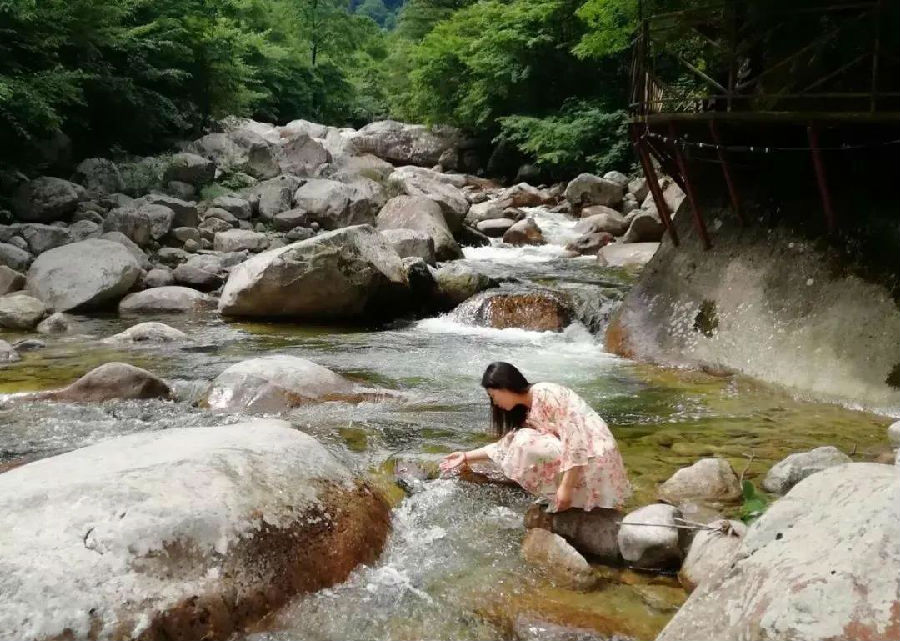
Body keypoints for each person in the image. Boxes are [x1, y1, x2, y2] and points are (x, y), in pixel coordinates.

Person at [440, 362, 631, 512]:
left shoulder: (546, 393)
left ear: (505, 387)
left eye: (493, 395)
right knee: (519, 439)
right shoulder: (528, 410)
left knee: (525, 441)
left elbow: (576, 439)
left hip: (596, 455)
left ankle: (572, 494)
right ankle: (570, 496)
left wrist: (566, 487)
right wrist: (466, 456)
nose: (494, 403)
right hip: (584, 457)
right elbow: (504, 445)